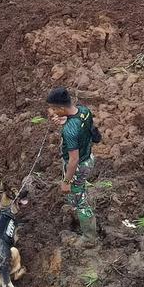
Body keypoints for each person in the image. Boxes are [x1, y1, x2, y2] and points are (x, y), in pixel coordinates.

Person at [46, 87, 99, 241]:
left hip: (78, 166)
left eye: (54, 109)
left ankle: (90, 238)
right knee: (78, 191)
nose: (52, 112)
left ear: (61, 108)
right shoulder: (83, 110)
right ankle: (77, 203)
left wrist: (66, 181)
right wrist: (64, 120)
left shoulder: (70, 130)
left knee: (80, 199)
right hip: (88, 158)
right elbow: (80, 125)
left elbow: (73, 160)